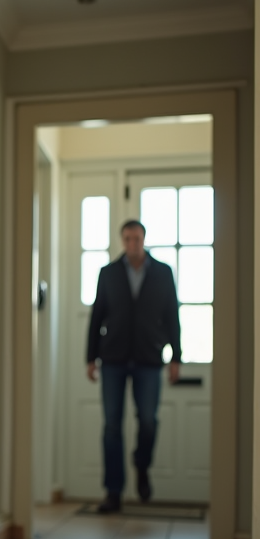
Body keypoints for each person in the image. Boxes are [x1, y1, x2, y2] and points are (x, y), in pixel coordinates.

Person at [86, 219, 181, 514]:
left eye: (137, 238)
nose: (132, 244)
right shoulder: (109, 273)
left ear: (144, 239)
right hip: (113, 359)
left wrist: (176, 356)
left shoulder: (163, 273)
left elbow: (172, 316)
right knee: (112, 426)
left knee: (149, 421)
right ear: (122, 241)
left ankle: (142, 467)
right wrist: (90, 358)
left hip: (149, 360)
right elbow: (96, 316)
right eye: (127, 239)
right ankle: (113, 492)